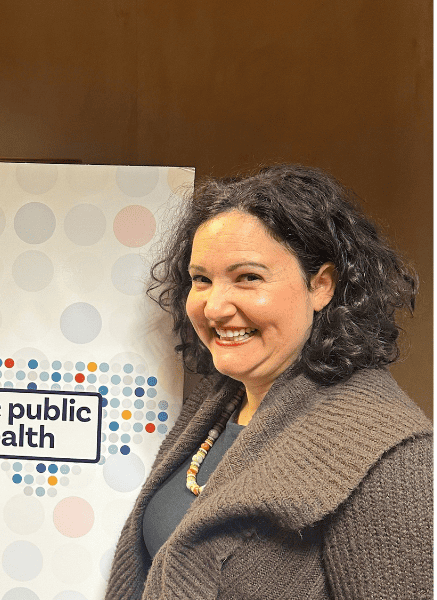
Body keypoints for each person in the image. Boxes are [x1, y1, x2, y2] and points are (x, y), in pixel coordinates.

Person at [105, 164, 432, 599]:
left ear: (321, 286)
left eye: (248, 278)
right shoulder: (217, 404)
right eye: (201, 279)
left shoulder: (391, 456)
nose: (215, 307)